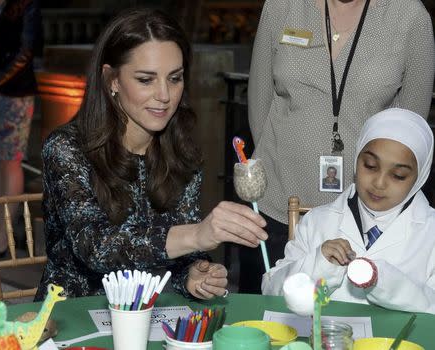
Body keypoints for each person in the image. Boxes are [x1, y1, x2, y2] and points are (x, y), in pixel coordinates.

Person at [34, 9, 267, 301]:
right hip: (74, 316)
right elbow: (95, 247)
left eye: (175, 78)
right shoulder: (66, 148)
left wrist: (193, 275)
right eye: (146, 80)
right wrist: (195, 235)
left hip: (152, 314)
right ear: (112, 80)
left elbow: (178, 257)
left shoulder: (182, 154)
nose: (165, 95)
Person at [243, 0, 435, 293]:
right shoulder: (281, 6)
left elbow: (410, 130)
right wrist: (288, 157)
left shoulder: (409, 16)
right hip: (276, 199)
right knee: (272, 314)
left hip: (364, 214)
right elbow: (259, 102)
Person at [262, 108, 435, 314]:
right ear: (356, 160)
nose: (379, 183)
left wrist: (387, 283)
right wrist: (318, 265)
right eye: (370, 166)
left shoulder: (430, 232)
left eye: (398, 175)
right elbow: (270, 292)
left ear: (419, 178)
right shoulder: (317, 221)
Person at [0, 0, 42, 255]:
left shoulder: (26, 5)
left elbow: (26, 51)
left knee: (10, 161)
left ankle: (3, 239)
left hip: (14, 93)